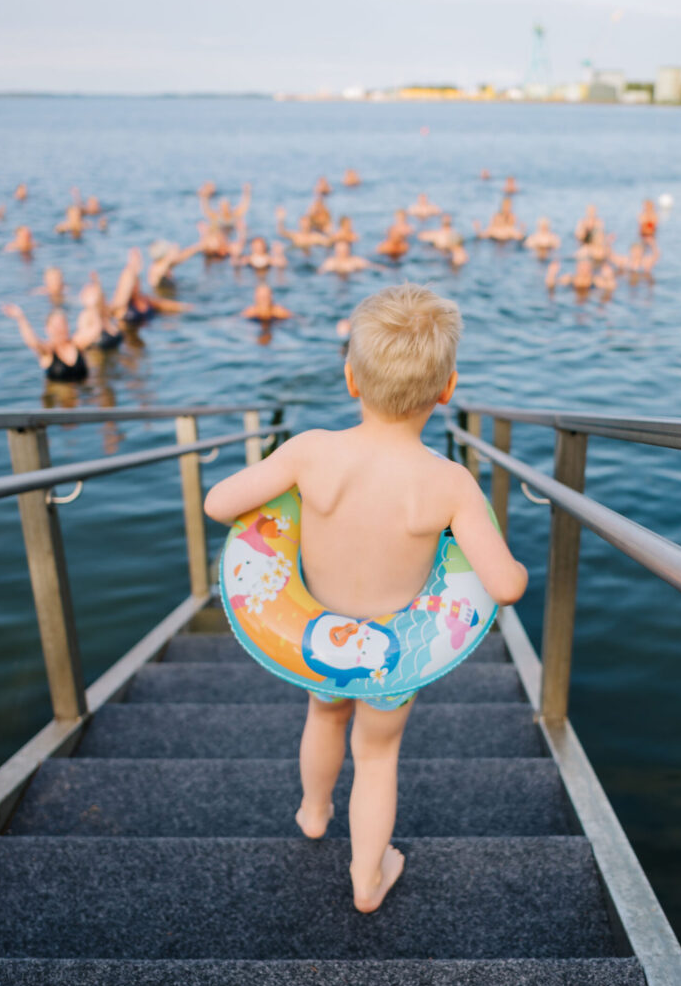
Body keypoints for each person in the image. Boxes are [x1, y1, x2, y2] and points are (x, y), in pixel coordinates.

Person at [203, 283, 527, 913]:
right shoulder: (450, 484)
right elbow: (506, 586)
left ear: (351, 378)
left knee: (323, 716)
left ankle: (313, 811)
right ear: (447, 388)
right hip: (392, 656)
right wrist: (509, 561)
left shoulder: (311, 452)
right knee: (377, 755)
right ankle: (367, 877)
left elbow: (219, 503)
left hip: (313, 639)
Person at [2, 304, 92, 382]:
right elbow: (33, 342)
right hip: (56, 395)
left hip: (82, 394)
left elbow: (94, 329)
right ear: (48, 329)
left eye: (62, 324)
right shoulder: (47, 351)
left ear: (67, 326)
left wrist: (92, 306)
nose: (60, 329)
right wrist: (21, 318)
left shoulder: (78, 344)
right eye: (56, 326)